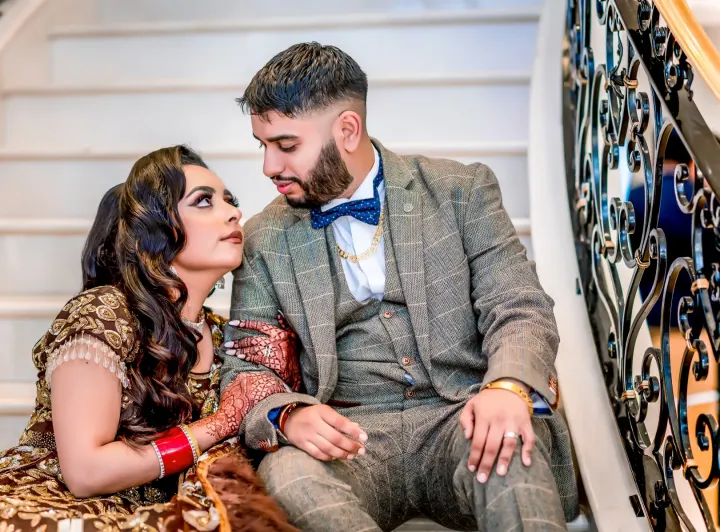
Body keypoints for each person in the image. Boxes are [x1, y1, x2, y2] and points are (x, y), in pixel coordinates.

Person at [220, 43, 579, 531]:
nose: (269, 167)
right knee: (288, 472)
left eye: (286, 146)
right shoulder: (264, 239)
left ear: (347, 130)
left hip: (465, 413)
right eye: (263, 146)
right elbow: (246, 366)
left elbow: (518, 305)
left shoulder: (460, 191)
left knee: (511, 446)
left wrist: (508, 387)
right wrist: (287, 415)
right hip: (352, 435)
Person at [0, 146, 301, 532]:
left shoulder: (223, 336)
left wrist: (285, 372)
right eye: (204, 201)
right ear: (156, 231)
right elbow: (85, 473)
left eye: (230, 201)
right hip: (57, 496)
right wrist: (219, 424)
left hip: (158, 500)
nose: (234, 212)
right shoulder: (105, 313)